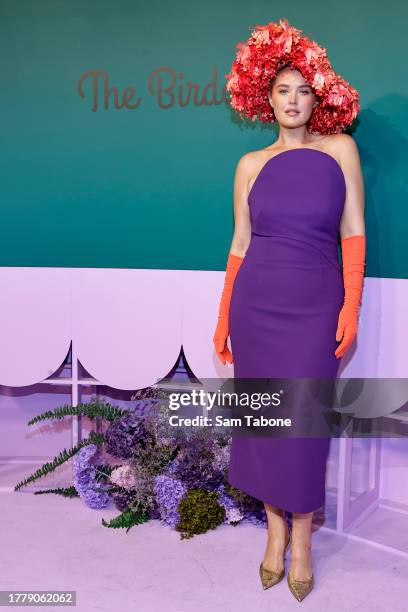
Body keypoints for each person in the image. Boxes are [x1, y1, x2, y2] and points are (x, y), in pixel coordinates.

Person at [213, 19, 366, 602]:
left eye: (303, 90)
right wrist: (224, 313)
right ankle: (274, 535)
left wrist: (351, 303)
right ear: (265, 97)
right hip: (257, 304)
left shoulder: (341, 151)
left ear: (317, 95)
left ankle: (302, 540)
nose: (293, 100)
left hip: (315, 304)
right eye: (282, 90)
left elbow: (353, 233)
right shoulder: (250, 164)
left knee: (303, 428)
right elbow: (239, 244)